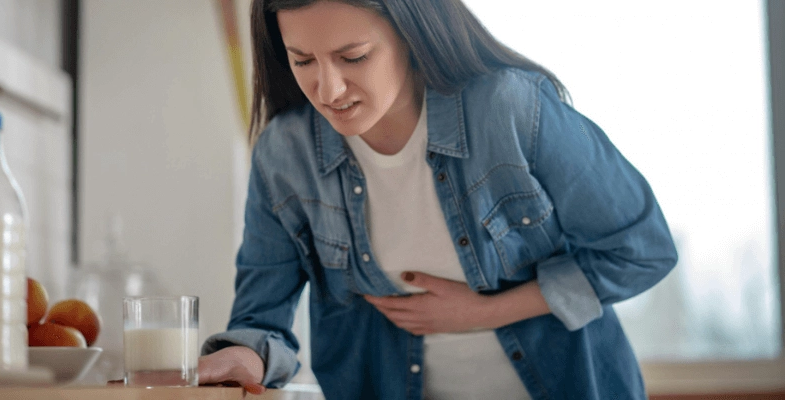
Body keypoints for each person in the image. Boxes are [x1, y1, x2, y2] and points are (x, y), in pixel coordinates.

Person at [198, 0, 678, 399]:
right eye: (302, 60)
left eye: (354, 57)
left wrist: (486, 310)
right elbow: (260, 320)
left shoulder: (509, 109)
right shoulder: (284, 155)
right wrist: (242, 358)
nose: (328, 89)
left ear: (409, 35)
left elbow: (641, 250)